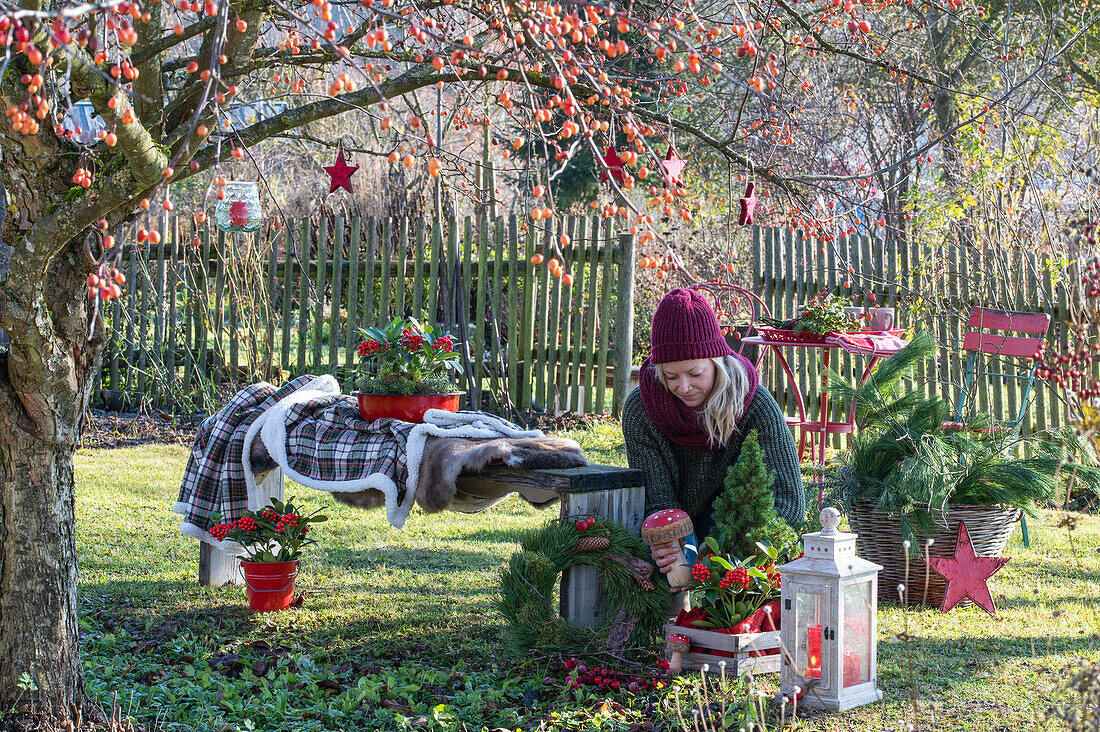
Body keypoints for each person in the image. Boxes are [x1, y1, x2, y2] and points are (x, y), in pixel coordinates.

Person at [622, 287, 804, 576]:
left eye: (695, 374)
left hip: (742, 537)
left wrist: (730, 555)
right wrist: (668, 543)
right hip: (680, 528)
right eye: (671, 376)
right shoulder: (642, 407)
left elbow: (788, 502)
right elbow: (657, 500)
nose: (683, 387)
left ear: (717, 363)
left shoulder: (754, 404)